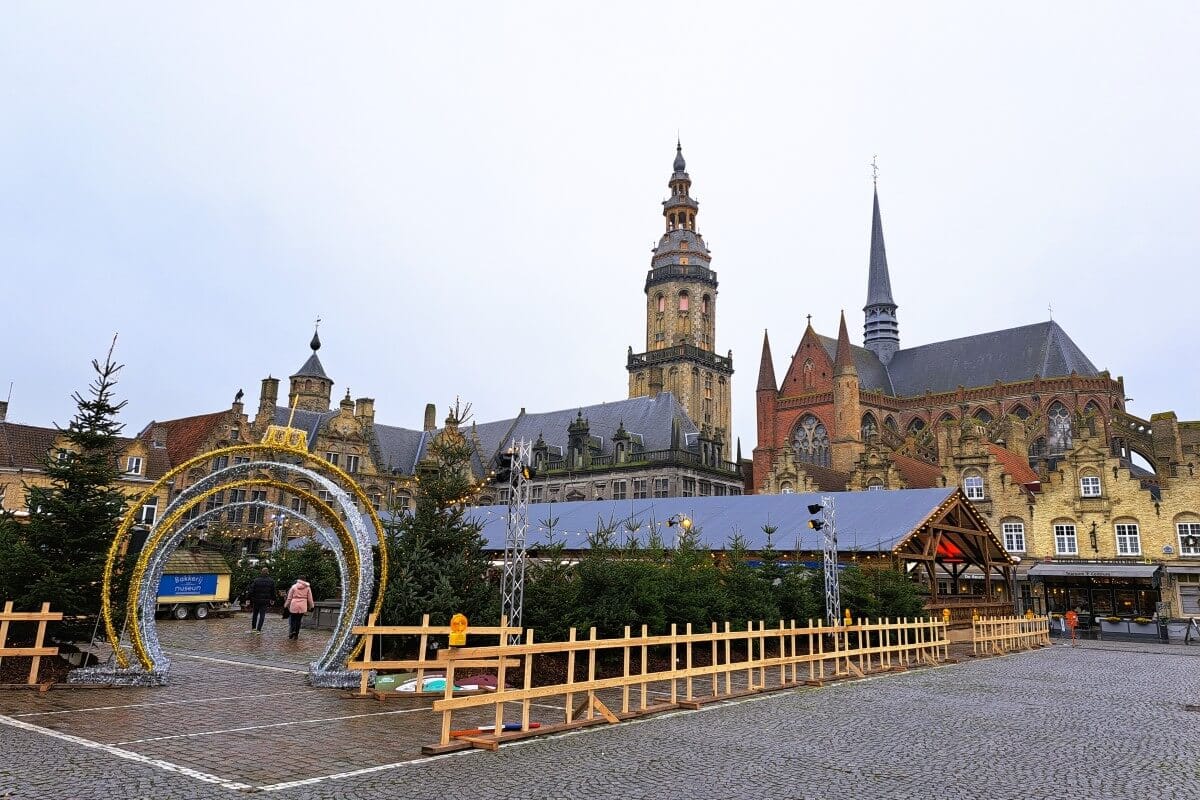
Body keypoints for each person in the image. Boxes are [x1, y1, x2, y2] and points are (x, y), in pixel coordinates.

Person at [245, 567, 276, 634]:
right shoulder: (271, 581)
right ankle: (259, 630)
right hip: (265, 601)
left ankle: (253, 628)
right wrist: (273, 599)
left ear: (261, 572)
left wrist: (248, 598)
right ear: (268, 572)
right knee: (262, 615)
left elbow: (251, 590)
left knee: (255, 614)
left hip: (256, 600)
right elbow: (273, 591)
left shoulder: (256, 580)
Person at [284, 575, 315, 640]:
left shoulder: (293, 587)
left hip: (294, 604)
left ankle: (292, 631)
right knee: (299, 620)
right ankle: (296, 634)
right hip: (302, 605)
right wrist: (312, 606)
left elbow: (289, 598)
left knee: (293, 619)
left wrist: (286, 605)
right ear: (305, 580)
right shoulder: (307, 588)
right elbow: (310, 598)